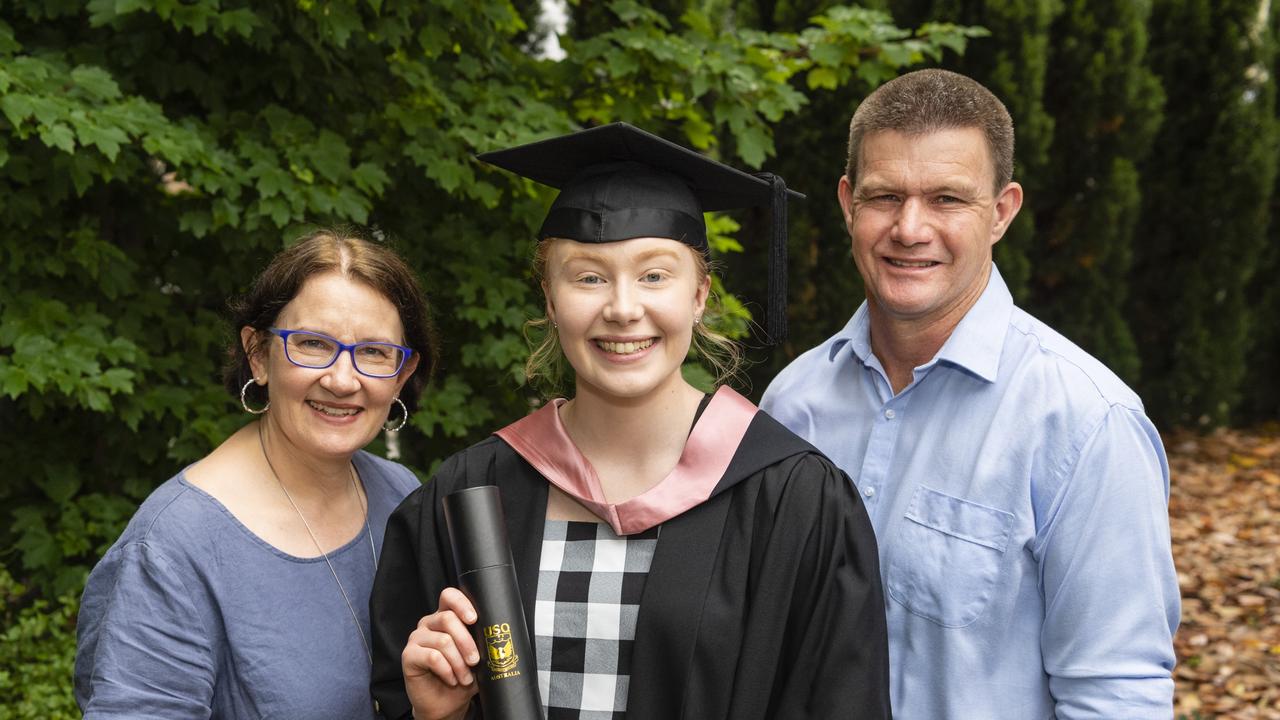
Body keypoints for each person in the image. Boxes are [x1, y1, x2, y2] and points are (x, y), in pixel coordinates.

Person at [369, 123, 890, 720]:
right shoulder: (469, 493)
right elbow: (398, 697)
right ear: (549, 297)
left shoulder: (792, 499)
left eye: (654, 275)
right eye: (588, 276)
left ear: (699, 294)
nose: (622, 308)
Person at [760, 69, 1181, 718]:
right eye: (884, 197)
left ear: (1002, 212)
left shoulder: (1085, 425)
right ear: (848, 203)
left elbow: (1115, 695)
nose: (909, 227)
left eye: (947, 199)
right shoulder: (792, 406)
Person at [75, 231, 438, 719]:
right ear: (258, 354)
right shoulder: (174, 547)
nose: (342, 380)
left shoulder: (402, 495)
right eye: (312, 344)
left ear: (402, 372)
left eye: (374, 352)